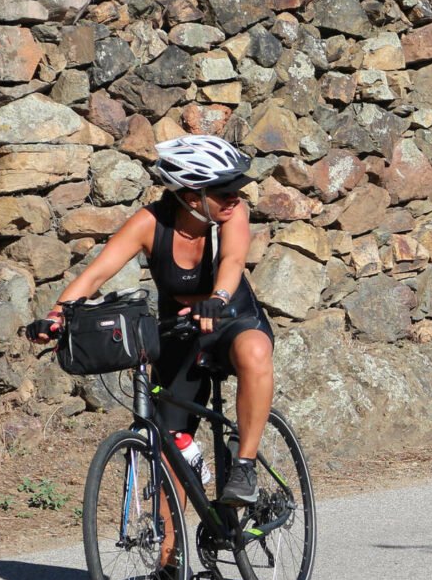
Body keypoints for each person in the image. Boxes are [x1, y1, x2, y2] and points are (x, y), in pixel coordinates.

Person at [27, 134, 274, 505]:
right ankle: (169, 561)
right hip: (179, 330)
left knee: (255, 351)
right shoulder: (149, 224)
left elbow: (233, 261)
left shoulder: (231, 212)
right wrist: (57, 316)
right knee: (167, 446)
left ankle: (244, 465)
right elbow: (95, 275)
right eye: (224, 192)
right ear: (193, 197)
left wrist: (217, 299)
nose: (235, 198)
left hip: (231, 316)